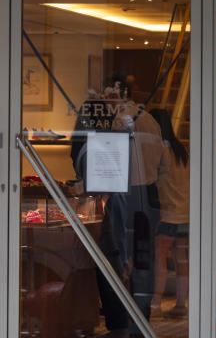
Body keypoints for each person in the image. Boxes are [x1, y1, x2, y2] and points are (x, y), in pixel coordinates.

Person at [87, 75, 168, 336]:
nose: (103, 100)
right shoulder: (151, 120)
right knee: (142, 254)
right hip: (149, 192)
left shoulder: (121, 119)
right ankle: (140, 313)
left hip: (127, 192)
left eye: (106, 94)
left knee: (118, 254)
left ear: (116, 94)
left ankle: (124, 316)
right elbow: (162, 162)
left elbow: (111, 161)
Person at [150, 108, 189, 319]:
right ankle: (181, 303)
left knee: (160, 257)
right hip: (185, 214)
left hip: (166, 214)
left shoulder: (160, 151)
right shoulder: (182, 150)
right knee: (181, 258)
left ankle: (156, 303)